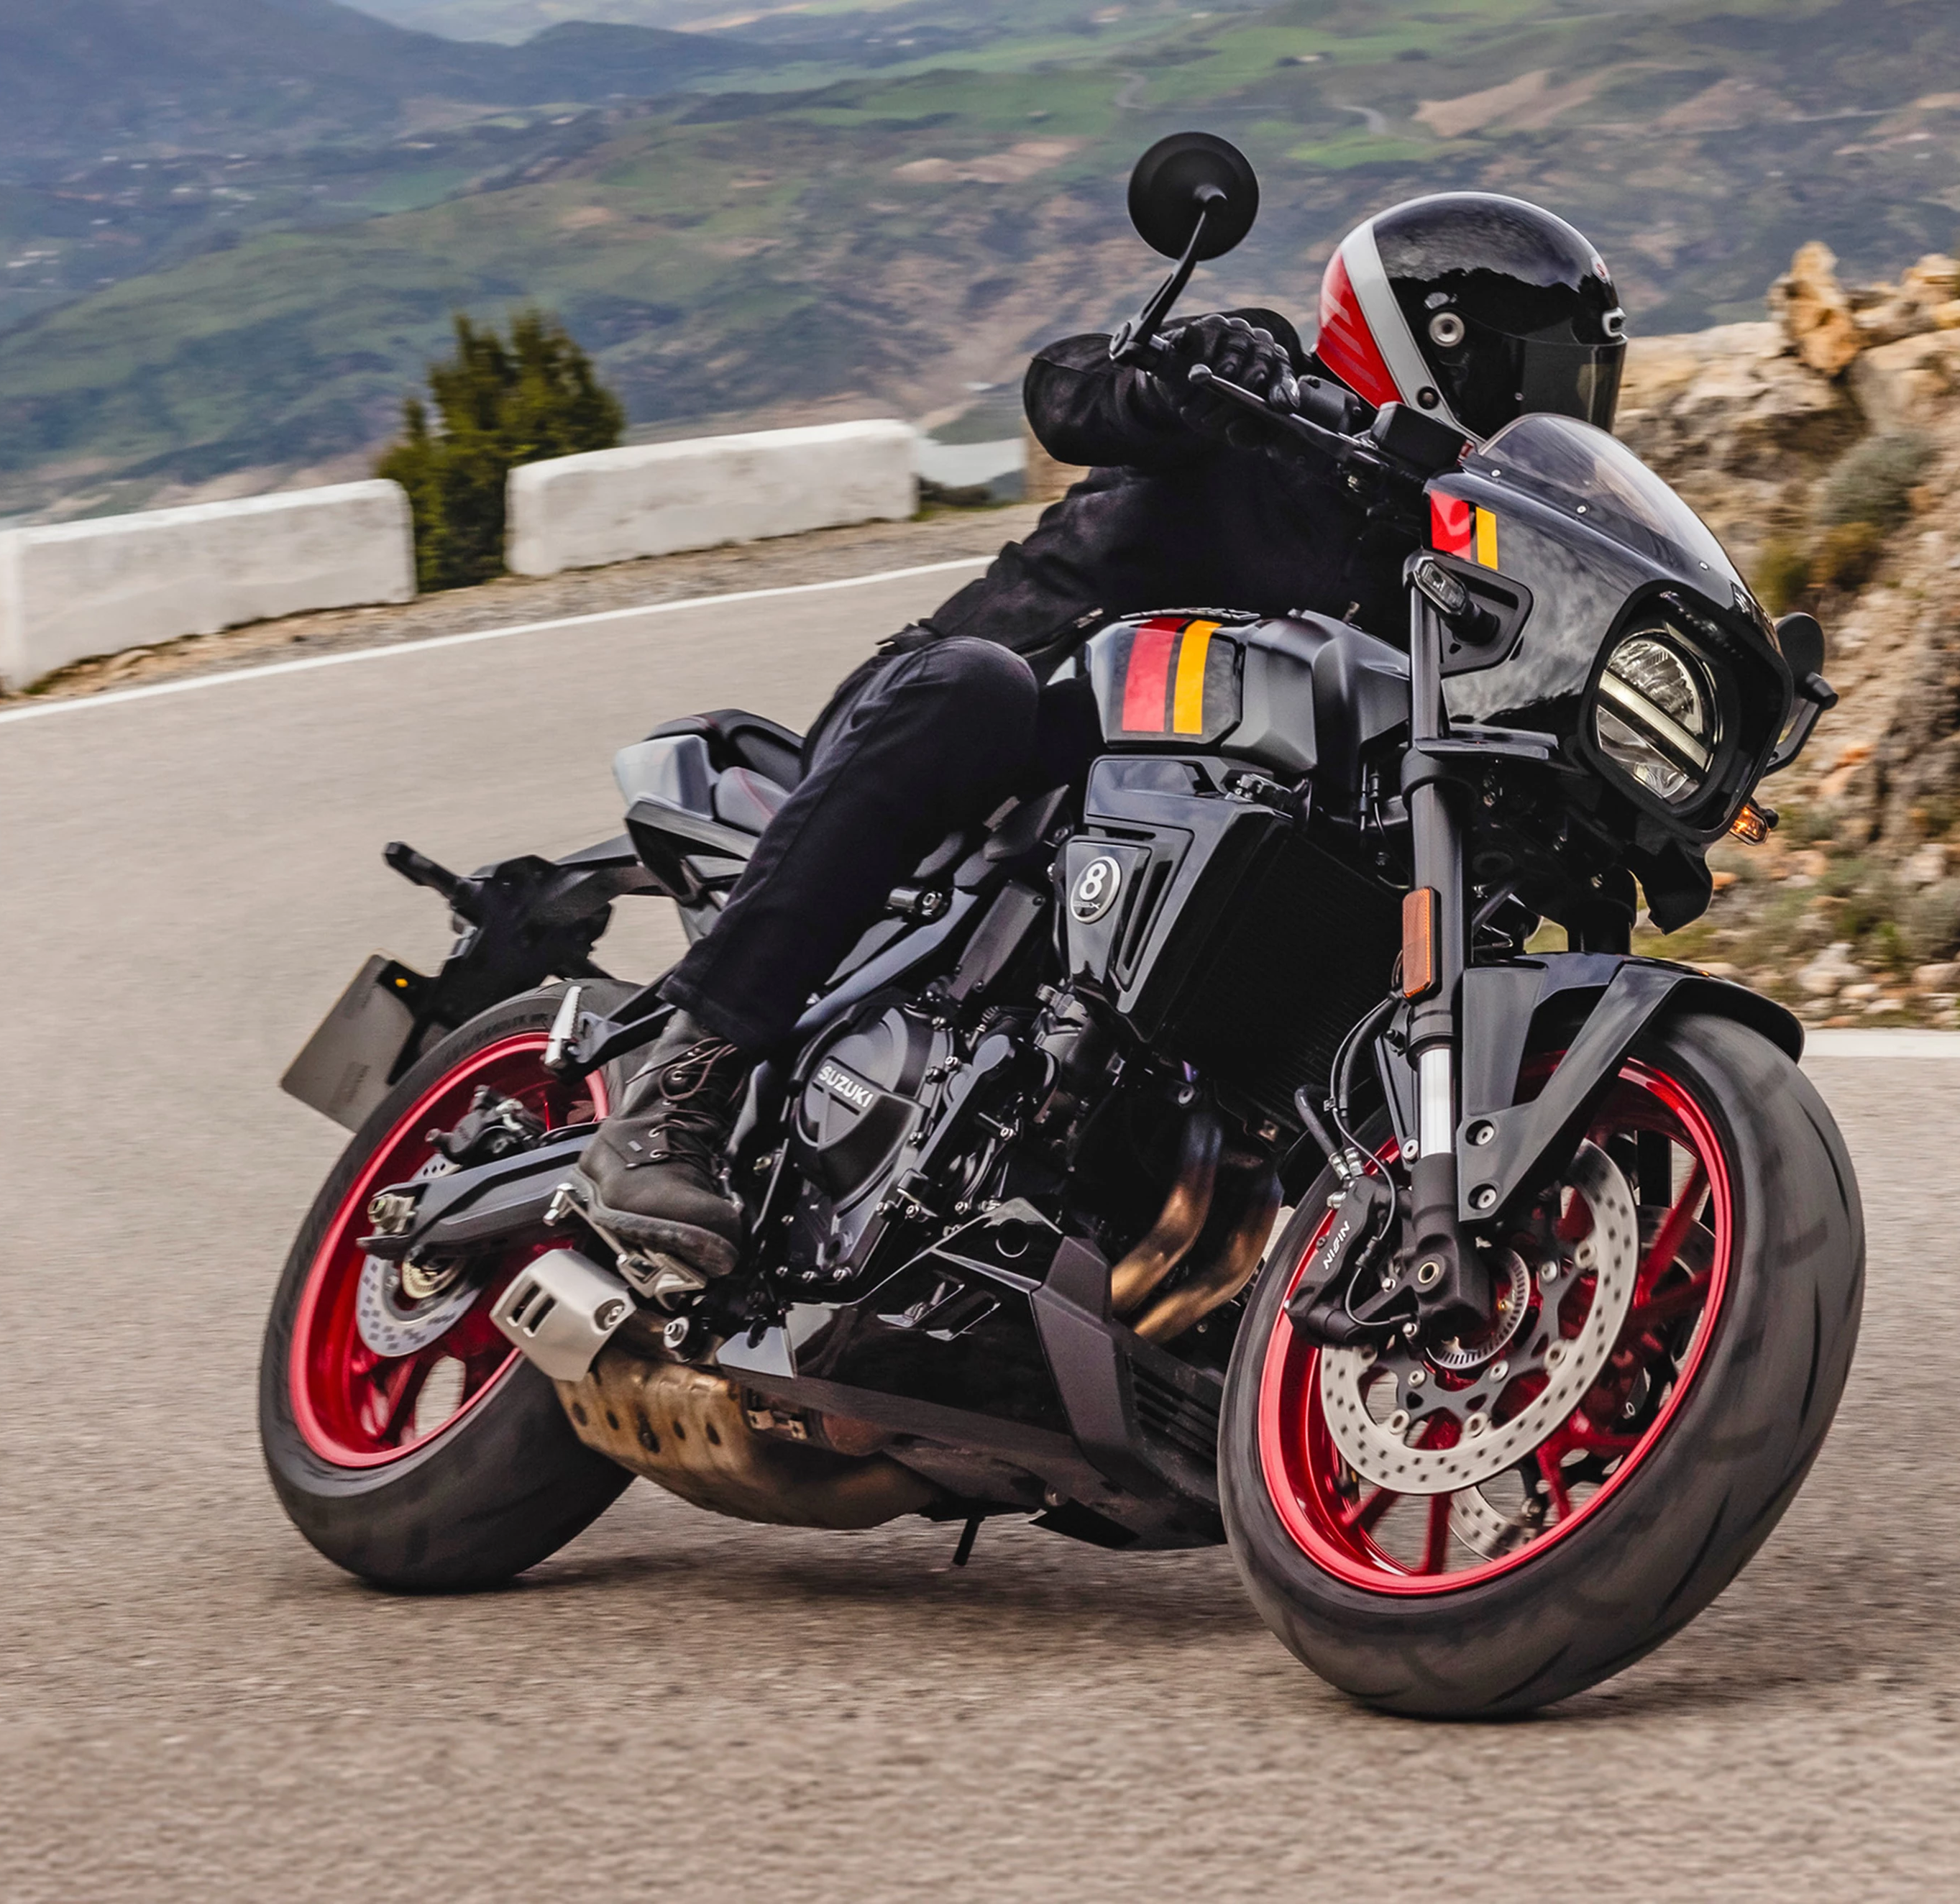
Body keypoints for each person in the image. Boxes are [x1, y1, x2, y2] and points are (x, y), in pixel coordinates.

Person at [576, 190, 1630, 1283]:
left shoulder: (1456, 567)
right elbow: (1063, 393)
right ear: (1439, 348)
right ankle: (674, 1095)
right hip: (991, 728)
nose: (1561, 413)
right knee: (976, 689)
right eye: (1543, 379)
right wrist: (1175, 377)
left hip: (1183, 836)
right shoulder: (1269, 394)